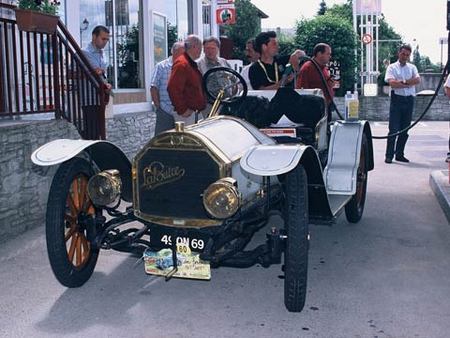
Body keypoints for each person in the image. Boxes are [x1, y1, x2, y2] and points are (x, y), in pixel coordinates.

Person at [384, 44, 421, 164]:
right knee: (393, 129)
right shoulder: (392, 67)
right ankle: (389, 155)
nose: (405, 56)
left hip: (409, 100)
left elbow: (417, 80)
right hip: (397, 100)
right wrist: (408, 83)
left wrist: (403, 82)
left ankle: (399, 154)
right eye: (403, 54)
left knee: (405, 129)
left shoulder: (412, 67)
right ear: (398, 53)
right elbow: (392, 83)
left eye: (407, 55)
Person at [167, 35, 206, 126]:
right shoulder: (182, 64)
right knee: (188, 140)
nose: (201, 51)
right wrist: (182, 109)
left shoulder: (189, 63)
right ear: (194, 47)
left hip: (194, 113)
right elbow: (172, 88)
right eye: (201, 48)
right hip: (187, 115)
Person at [150, 41, 185, 135]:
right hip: (165, 110)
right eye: (180, 52)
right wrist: (158, 107)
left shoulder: (186, 66)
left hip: (182, 111)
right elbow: (153, 87)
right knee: (162, 139)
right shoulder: (161, 66)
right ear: (173, 52)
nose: (182, 55)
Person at [296, 43, 336, 108]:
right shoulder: (307, 68)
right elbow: (301, 90)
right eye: (328, 54)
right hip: (314, 109)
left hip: (325, 107)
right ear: (319, 54)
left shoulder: (323, 68)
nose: (330, 56)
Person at [83, 25, 112, 90]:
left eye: (107, 40)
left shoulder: (102, 53)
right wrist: (91, 73)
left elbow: (102, 75)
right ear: (94, 37)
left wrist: (106, 84)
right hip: (87, 95)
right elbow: (70, 74)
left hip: (100, 94)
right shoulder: (83, 52)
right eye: (103, 39)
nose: (105, 42)